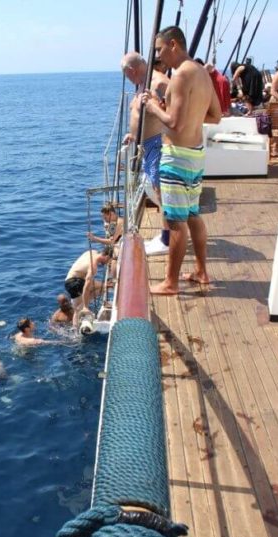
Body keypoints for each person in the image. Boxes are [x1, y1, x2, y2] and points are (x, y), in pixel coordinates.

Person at [142, 26, 221, 295]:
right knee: (193, 215)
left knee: (175, 221)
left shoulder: (179, 77)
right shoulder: (201, 73)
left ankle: (170, 283)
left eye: (159, 49)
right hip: (196, 154)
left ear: (173, 44)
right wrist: (186, 119)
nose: (158, 56)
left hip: (176, 157)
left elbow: (173, 125)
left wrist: (152, 106)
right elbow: (215, 115)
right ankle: (201, 271)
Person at [121, 51, 171, 256]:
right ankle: (166, 234)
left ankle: (168, 241)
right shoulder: (141, 83)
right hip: (146, 145)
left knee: (162, 192)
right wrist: (133, 135)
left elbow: (175, 111)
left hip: (157, 144)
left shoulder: (158, 82)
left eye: (126, 74)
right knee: (156, 191)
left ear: (132, 70)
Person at [64, 250, 110, 324]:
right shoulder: (93, 267)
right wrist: (85, 306)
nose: (107, 264)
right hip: (76, 283)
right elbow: (86, 287)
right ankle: (83, 307)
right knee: (104, 287)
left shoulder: (91, 252)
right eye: (108, 261)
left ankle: (75, 332)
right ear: (107, 256)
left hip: (68, 283)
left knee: (76, 311)